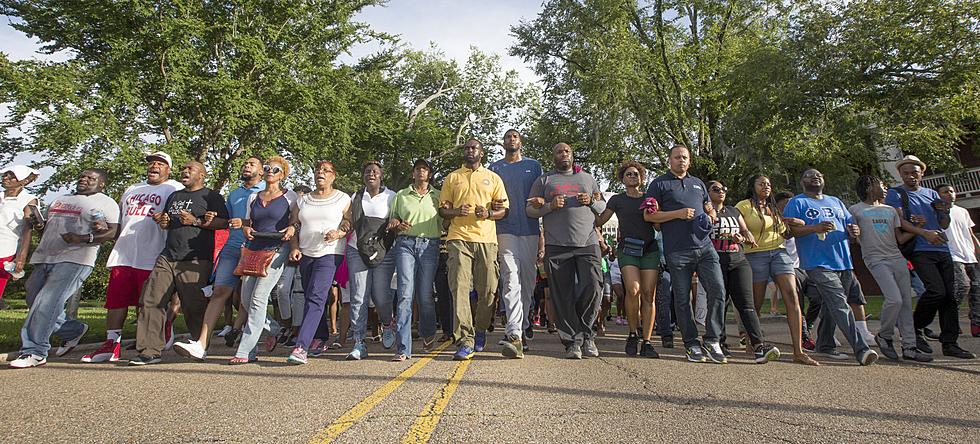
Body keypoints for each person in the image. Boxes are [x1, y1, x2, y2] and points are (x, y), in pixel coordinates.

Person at [9, 169, 120, 369]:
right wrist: (38, 224)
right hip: (46, 255)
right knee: (33, 297)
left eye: (90, 178)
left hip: (76, 258)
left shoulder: (105, 202)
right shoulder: (61, 199)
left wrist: (85, 238)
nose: (84, 179)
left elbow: (111, 231)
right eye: (82, 176)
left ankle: (35, 351)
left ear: (101, 184)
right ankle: (72, 330)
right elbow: (46, 227)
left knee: (46, 302)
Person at [82, 152, 183, 363]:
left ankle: (151, 338)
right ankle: (111, 344)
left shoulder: (173, 188)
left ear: (168, 169)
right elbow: (120, 217)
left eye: (160, 163)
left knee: (146, 303)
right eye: (151, 163)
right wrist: (105, 228)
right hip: (124, 252)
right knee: (116, 301)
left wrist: (166, 220)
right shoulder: (132, 189)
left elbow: (178, 218)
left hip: (153, 253)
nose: (154, 166)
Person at [130, 161, 228, 365]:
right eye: (184, 168)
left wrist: (195, 221)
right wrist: (164, 222)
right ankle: (149, 351)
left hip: (195, 258)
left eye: (189, 169)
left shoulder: (212, 197)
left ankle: (199, 345)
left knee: (193, 305)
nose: (184, 171)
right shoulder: (175, 196)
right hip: (168, 255)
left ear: (201, 175)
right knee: (151, 299)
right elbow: (169, 222)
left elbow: (224, 223)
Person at [782, 168, 877, 366]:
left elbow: (850, 225)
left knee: (830, 304)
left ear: (823, 180)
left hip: (843, 261)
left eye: (818, 175)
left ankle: (825, 343)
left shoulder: (836, 201)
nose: (814, 177)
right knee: (840, 303)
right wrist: (814, 228)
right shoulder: (797, 203)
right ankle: (861, 349)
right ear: (802, 182)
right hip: (817, 262)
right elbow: (790, 231)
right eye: (809, 175)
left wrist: (854, 231)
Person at [643, 144, 727, 364]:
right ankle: (691, 343)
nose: (682, 160)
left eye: (685, 157)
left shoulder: (698, 183)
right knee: (682, 299)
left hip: (705, 247)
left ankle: (712, 339)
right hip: (678, 250)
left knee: (717, 290)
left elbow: (709, 208)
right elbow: (649, 217)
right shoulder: (659, 184)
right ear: (669, 160)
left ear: (689, 161)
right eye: (677, 157)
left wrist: (711, 214)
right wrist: (678, 214)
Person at [884, 155, 974, 359]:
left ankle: (950, 343)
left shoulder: (932, 194)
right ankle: (914, 328)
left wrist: (944, 213)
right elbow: (898, 221)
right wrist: (923, 231)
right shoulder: (896, 193)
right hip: (919, 248)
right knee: (936, 291)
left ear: (922, 173)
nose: (910, 176)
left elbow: (943, 224)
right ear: (900, 174)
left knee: (950, 296)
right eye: (905, 173)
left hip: (941, 248)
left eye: (914, 172)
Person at [527, 143, 605, 359]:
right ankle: (572, 341)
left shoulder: (588, 179)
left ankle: (587, 334)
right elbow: (530, 210)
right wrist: (549, 206)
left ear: (572, 155)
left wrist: (590, 201)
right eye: (559, 151)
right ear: (553, 157)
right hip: (557, 244)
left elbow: (602, 207)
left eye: (567, 151)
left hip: (587, 243)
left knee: (593, 286)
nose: (563, 154)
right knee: (562, 295)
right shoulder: (544, 180)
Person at [180, 157, 264, 358]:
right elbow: (225, 222)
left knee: (252, 298)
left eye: (252, 164)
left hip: (257, 248)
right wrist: (212, 219)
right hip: (232, 248)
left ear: (261, 171)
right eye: (245, 163)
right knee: (219, 293)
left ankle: (253, 342)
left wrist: (244, 222)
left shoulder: (267, 192)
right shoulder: (234, 194)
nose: (246, 166)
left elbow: (269, 221)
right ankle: (201, 345)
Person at [439, 138, 508, 361]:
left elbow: (503, 210)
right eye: (467, 148)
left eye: (474, 148)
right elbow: (443, 211)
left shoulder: (493, 178)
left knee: (488, 290)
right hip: (458, 239)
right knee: (458, 288)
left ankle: (480, 329)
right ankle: (466, 339)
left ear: (481, 152)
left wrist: (488, 214)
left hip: (487, 241)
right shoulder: (452, 178)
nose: (470, 151)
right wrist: (457, 210)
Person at [849, 176, 931, 362]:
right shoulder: (855, 210)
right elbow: (853, 238)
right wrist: (852, 234)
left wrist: (918, 228)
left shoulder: (890, 210)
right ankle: (884, 335)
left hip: (897, 258)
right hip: (875, 259)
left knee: (906, 303)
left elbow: (900, 238)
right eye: (881, 185)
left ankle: (909, 347)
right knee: (894, 299)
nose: (885, 188)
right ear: (869, 186)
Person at [226, 156, 299, 364]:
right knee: (246, 300)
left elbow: (295, 222)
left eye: (275, 169)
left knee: (259, 298)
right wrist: (246, 227)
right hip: (253, 248)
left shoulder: (289, 196)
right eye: (267, 168)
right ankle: (275, 328)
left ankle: (246, 351)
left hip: (277, 249)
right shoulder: (254, 197)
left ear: (282, 175)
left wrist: (293, 229)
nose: (270, 171)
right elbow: (250, 221)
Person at [735, 175, 814, 363]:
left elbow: (785, 234)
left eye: (768, 184)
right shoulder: (744, 206)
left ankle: (798, 351)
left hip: (779, 252)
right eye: (761, 183)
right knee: (756, 302)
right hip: (755, 254)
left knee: (792, 297)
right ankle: (754, 343)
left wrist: (791, 223)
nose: (766, 186)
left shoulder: (773, 208)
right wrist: (744, 237)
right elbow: (739, 228)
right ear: (752, 186)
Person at [707, 180, 782, 363]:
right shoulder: (705, 212)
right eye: (716, 189)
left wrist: (744, 236)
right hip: (716, 261)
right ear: (707, 192)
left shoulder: (733, 210)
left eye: (724, 188)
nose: (721, 191)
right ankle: (719, 342)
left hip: (739, 260)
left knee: (746, 304)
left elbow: (745, 230)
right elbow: (700, 233)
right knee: (720, 302)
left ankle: (759, 346)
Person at [286, 161, 350, 364]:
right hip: (306, 253)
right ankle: (321, 337)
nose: (320, 174)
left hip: (330, 253)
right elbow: (294, 225)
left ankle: (301, 346)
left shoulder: (342, 198)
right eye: (317, 171)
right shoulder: (302, 200)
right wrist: (294, 247)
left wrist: (339, 232)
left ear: (333, 175)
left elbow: (349, 221)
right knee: (311, 296)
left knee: (316, 296)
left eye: (325, 171)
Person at [596, 161, 660, 358]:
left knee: (649, 294)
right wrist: (590, 203)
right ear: (622, 179)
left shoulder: (650, 198)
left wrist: (655, 211)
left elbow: (657, 227)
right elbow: (599, 221)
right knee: (633, 290)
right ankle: (632, 333)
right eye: (629, 174)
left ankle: (647, 341)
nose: (633, 176)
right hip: (628, 249)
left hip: (649, 249)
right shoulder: (617, 200)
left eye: (636, 174)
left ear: (642, 178)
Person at [489, 129, 543, 358]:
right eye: (508, 137)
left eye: (515, 137)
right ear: (503, 142)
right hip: (505, 230)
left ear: (520, 141)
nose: (511, 140)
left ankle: (522, 324)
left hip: (530, 230)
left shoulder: (534, 166)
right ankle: (514, 333)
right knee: (510, 280)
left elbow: (543, 195)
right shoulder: (494, 168)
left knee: (527, 284)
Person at [387, 158, 442, 360]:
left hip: (430, 245)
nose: (421, 172)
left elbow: (446, 219)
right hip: (405, 245)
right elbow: (393, 220)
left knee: (425, 295)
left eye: (425, 169)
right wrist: (396, 223)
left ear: (429, 174)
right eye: (418, 169)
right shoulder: (401, 195)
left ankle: (428, 335)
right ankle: (403, 348)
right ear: (413, 173)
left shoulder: (438, 195)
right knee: (404, 294)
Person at [342, 161, 397, 361]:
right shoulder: (356, 196)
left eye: (375, 171)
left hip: (383, 251)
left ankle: (387, 323)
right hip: (357, 249)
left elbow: (397, 218)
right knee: (358, 296)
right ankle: (359, 342)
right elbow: (347, 219)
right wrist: (343, 225)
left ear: (381, 175)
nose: (371, 174)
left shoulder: (392, 196)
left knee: (381, 296)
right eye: (367, 171)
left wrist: (395, 223)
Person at [937, 184, 980, 338]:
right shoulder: (938, 213)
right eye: (945, 192)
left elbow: (970, 232)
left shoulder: (963, 211)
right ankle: (950, 321)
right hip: (952, 255)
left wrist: (977, 248)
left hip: (969, 255)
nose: (950, 194)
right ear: (938, 195)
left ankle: (977, 325)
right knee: (962, 286)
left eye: (952, 191)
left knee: (977, 289)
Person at [0, 164, 40, 301]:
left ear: (24, 181)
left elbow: (27, 230)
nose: (6, 178)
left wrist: (21, 257)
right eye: (5, 175)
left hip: (5, 251)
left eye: (12, 177)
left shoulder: (28, 200)